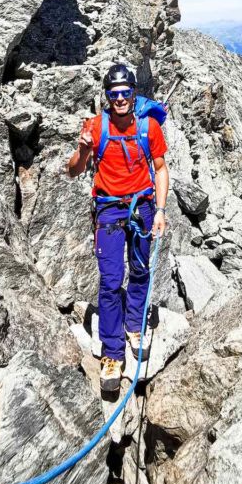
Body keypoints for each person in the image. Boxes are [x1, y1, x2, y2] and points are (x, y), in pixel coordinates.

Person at [67, 63, 169, 392]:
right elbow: (73, 171)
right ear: (107, 97)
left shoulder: (149, 127)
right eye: (114, 94)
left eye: (126, 93)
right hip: (109, 209)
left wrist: (162, 211)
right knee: (111, 282)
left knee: (140, 270)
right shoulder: (95, 127)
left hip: (142, 206)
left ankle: (135, 323)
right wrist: (83, 150)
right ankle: (113, 352)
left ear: (133, 94)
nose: (121, 99)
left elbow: (161, 168)